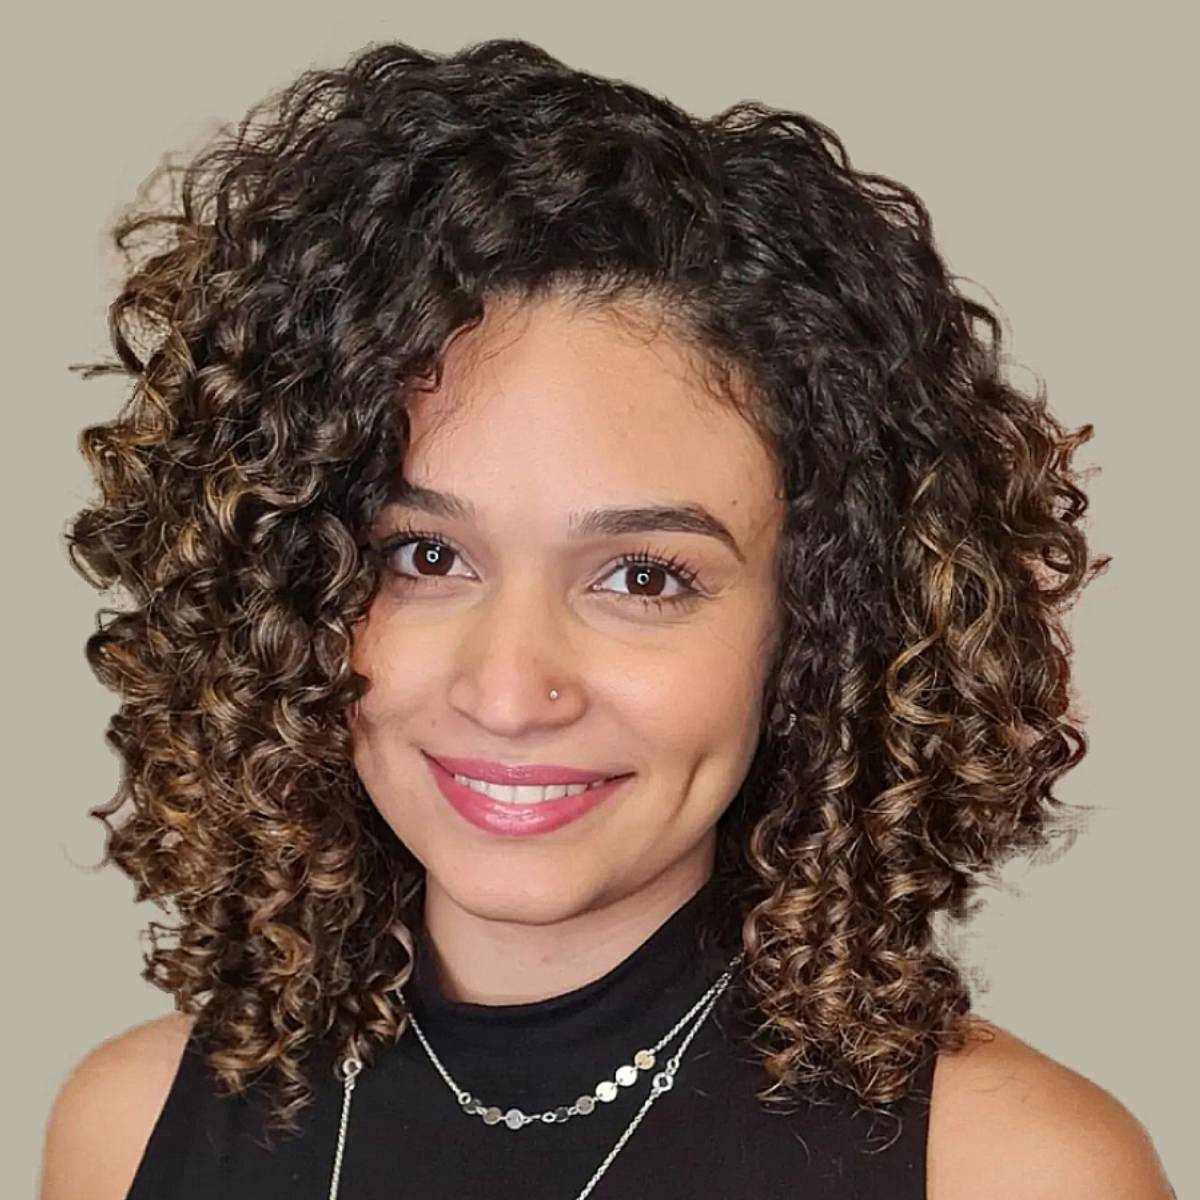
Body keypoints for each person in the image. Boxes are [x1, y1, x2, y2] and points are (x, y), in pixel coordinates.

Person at [39, 35, 1174, 1200]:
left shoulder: (1015, 1171)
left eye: (641, 576)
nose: (510, 687)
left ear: (822, 633)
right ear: (286, 591)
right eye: (426, 555)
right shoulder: (124, 1134)